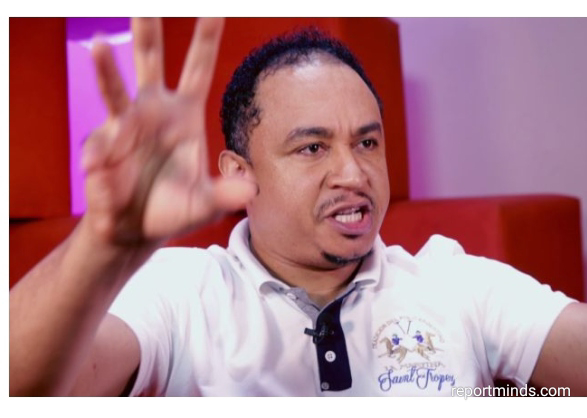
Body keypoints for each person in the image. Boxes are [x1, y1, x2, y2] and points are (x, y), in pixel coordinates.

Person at [9, 17, 587, 396]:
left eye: (368, 143)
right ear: (240, 173)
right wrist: (102, 244)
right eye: (312, 148)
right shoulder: (182, 291)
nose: (354, 174)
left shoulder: (455, 281)